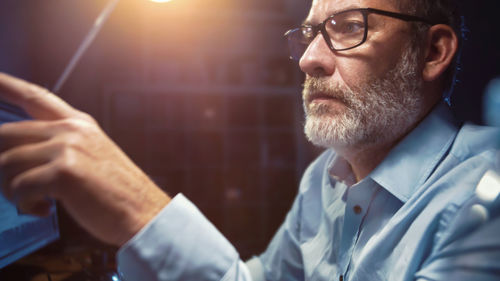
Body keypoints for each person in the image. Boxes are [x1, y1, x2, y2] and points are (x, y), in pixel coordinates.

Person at [0, 0, 499, 280]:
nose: (308, 60)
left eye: (349, 27)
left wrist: (142, 211)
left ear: (432, 51)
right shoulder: (324, 178)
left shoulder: (488, 199)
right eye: (309, 33)